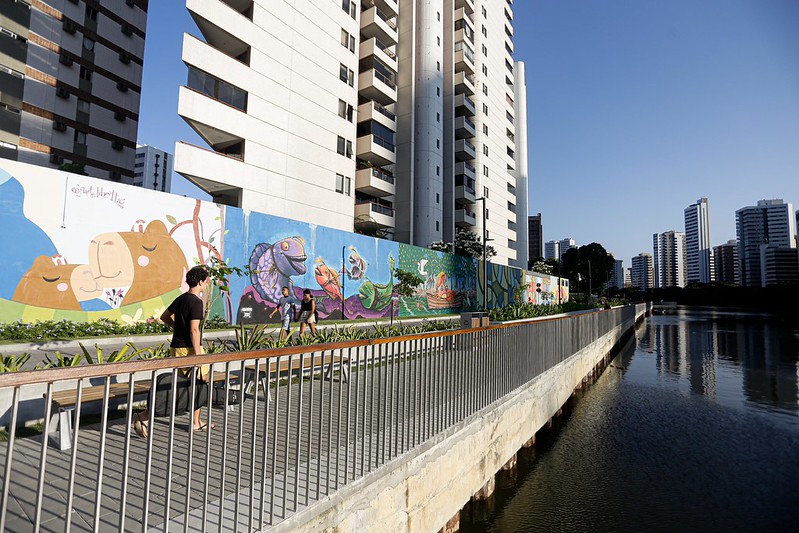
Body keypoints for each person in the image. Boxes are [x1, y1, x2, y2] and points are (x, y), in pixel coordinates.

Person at [134, 265, 213, 439]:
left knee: (188, 384)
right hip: (190, 349)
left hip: (177, 347)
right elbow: (194, 330)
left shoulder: (181, 299)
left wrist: (177, 327)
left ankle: (196, 422)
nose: (206, 284)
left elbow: (164, 316)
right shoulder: (196, 302)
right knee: (197, 383)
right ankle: (144, 417)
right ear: (199, 281)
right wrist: (199, 354)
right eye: (205, 281)